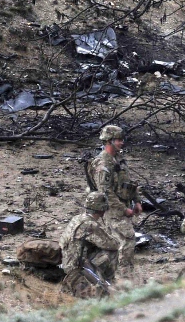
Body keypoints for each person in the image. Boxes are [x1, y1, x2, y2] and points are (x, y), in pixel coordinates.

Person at [86, 124, 141, 275]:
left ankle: (118, 274)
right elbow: (106, 192)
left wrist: (137, 200)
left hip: (123, 206)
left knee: (120, 242)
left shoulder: (118, 159)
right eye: (118, 140)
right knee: (126, 240)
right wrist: (124, 209)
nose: (121, 142)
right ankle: (123, 277)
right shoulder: (102, 163)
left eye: (122, 139)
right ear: (109, 141)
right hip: (112, 210)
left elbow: (128, 182)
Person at [59, 191, 121, 297]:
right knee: (112, 252)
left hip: (65, 263)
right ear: (101, 209)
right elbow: (114, 244)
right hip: (77, 269)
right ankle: (108, 280)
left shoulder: (77, 218)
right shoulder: (90, 225)